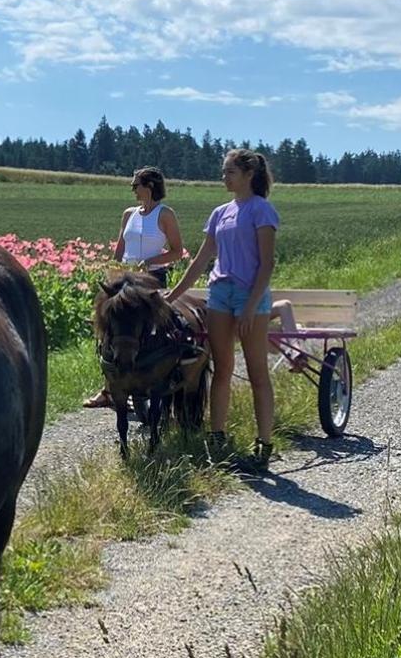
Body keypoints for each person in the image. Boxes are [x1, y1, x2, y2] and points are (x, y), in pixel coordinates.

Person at [167, 149, 278, 471]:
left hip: (250, 295)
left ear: (248, 175)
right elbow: (201, 260)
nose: (224, 177)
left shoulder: (262, 211)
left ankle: (264, 441)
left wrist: (251, 307)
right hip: (221, 294)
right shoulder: (220, 213)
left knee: (257, 372)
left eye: (230, 171)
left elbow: (267, 263)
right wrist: (173, 295)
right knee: (221, 368)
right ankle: (217, 436)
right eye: (224, 171)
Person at [84, 166, 185, 408]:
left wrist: (151, 262)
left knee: (154, 331)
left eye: (136, 185)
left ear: (149, 186)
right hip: (124, 280)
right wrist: (111, 270)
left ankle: (160, 377)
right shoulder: (129, 214)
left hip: (150, 280)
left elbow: (176, 251)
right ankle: (110, 386)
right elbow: (121, 246)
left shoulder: (165, 214)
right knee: (108, 327)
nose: (133, 189)